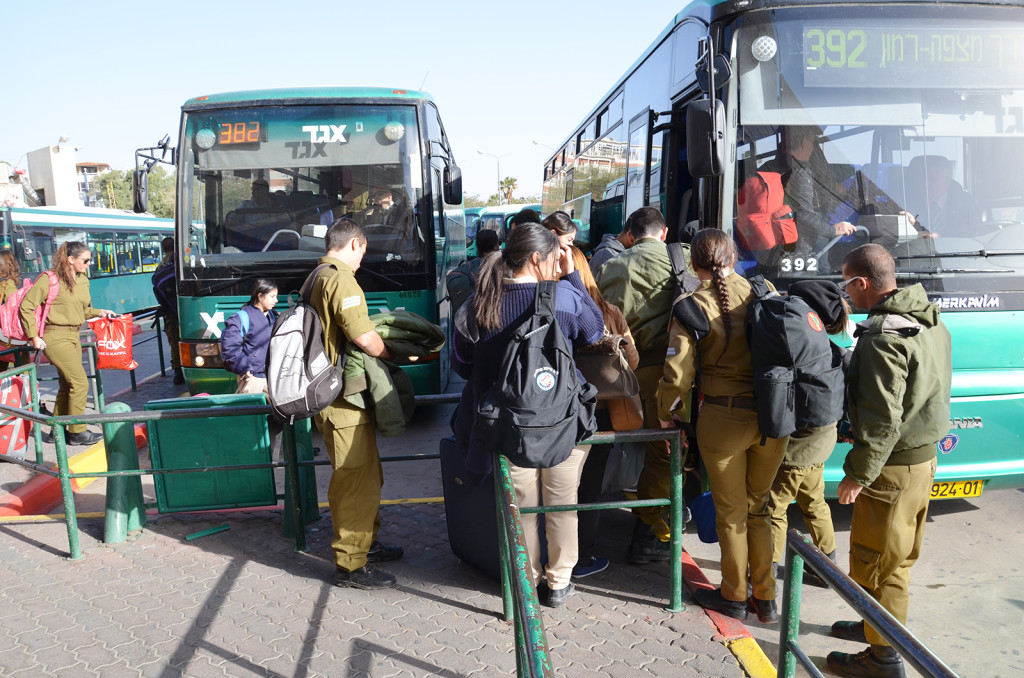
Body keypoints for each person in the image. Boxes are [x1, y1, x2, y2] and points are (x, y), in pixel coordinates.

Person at [452, 224, 604, 607]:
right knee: (562, 503)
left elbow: (462, 364)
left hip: (507, 428)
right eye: (554, 258)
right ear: (538, 258)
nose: (557, 265)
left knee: (521, 508)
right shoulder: (565, 297)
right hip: (563, 424)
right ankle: (558, 583)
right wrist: (572, 276)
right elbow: (595, 331)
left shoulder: (479, 302)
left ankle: (527, 578)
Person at [826, 244, 952, 678]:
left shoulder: (883, 335)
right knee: (897, 557)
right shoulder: (926, 320)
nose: (845, 292)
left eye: (847, 283)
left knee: (878, 563)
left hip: (893, 469)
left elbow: (883, 421)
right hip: (922, 460)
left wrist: (857, 473)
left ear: (862, 284)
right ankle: (875, 626)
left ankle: (883, 657)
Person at [657, 229, 789, 623]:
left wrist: (669, 414)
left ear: (694, 263)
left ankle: (733, 595)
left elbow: (677, 372)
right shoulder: (765, 291)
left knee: (731, 514)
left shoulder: (690, 305)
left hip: (722, 419)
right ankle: (765, 597)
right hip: (772, 417)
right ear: (733, 256)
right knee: (760, 508)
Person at [307, 218, 404, 590]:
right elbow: (363, 336)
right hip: (343, 400)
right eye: (363, 251)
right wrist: (392, 352)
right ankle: (351, 565)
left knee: (365, 476)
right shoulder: (340, 277)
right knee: (355, 481)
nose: (363, 259)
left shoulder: (316, 275)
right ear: (354, 244)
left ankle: (365, 544)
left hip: (332, 397)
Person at [595, 206, 675, 564]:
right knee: (664, 454)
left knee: (610, 445)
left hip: (621, 378)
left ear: (630, 232)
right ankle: (647, 535)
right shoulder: (680, 260)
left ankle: (590, 525)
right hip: (667, 377)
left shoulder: (610, 266)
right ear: (664, 232)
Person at [768, 280, 847, 587]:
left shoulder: (805, 348)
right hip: (820, 444)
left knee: (773, 506)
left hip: (800, 449)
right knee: (813, 501)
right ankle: (827, 568)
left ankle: (767, 574)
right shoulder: (827, 348)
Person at [568, 245, 639, 579]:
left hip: (560, 411)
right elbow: (633, 362)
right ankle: (582, 555)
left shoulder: (554, 308)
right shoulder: (610, 312)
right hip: (601, 413)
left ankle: (553, 558)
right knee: (589, 486)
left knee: (556, 486)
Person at [21, 241, 114, 446]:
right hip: (54, 337)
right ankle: (77, 431)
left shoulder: (83, 280)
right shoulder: (50, 279)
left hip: (74, 336)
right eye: (85, 260)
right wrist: (34, 336)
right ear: (71, 260)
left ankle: (58, 430)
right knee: (80, 383)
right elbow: (26, 307)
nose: (89, 264)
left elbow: (81, 310)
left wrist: (100, 312)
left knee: (66, 385)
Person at [760, 127, 856, 261]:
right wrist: (833, 230)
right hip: (801, 245)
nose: (813, 148)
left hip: (768, 243)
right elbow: (804, 212)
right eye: (813, 143)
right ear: (805, 142)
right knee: (822, 271)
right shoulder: (801, 172)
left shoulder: (768, 167)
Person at [220, 279, 278, 394]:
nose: (276, 300)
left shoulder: (271, 315)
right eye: (272, 296)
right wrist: (244, 368)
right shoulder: (240, 318)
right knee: (248, 409)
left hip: (270, 375)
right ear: (260, 296)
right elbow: (231, 347)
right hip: (252, 377)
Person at [905, 155, 978, 239]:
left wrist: (940, 236)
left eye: (932, 179)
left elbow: (971, 232)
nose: (925, 184)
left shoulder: (964, 202)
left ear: (947, 181)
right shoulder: (907, 203)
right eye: (923, 179)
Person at [152, 237, 183, 384]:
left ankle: (178, 372)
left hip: (170, 312)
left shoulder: (161, 267)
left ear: (163, 249)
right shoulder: (183, 261)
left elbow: (157, 290)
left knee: (175, 341)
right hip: (187, 307)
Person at [0, 250, 21, 370]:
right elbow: (14, 308)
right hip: (8, 336)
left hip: (2, 335)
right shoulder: (8, 284)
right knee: (24, 369)